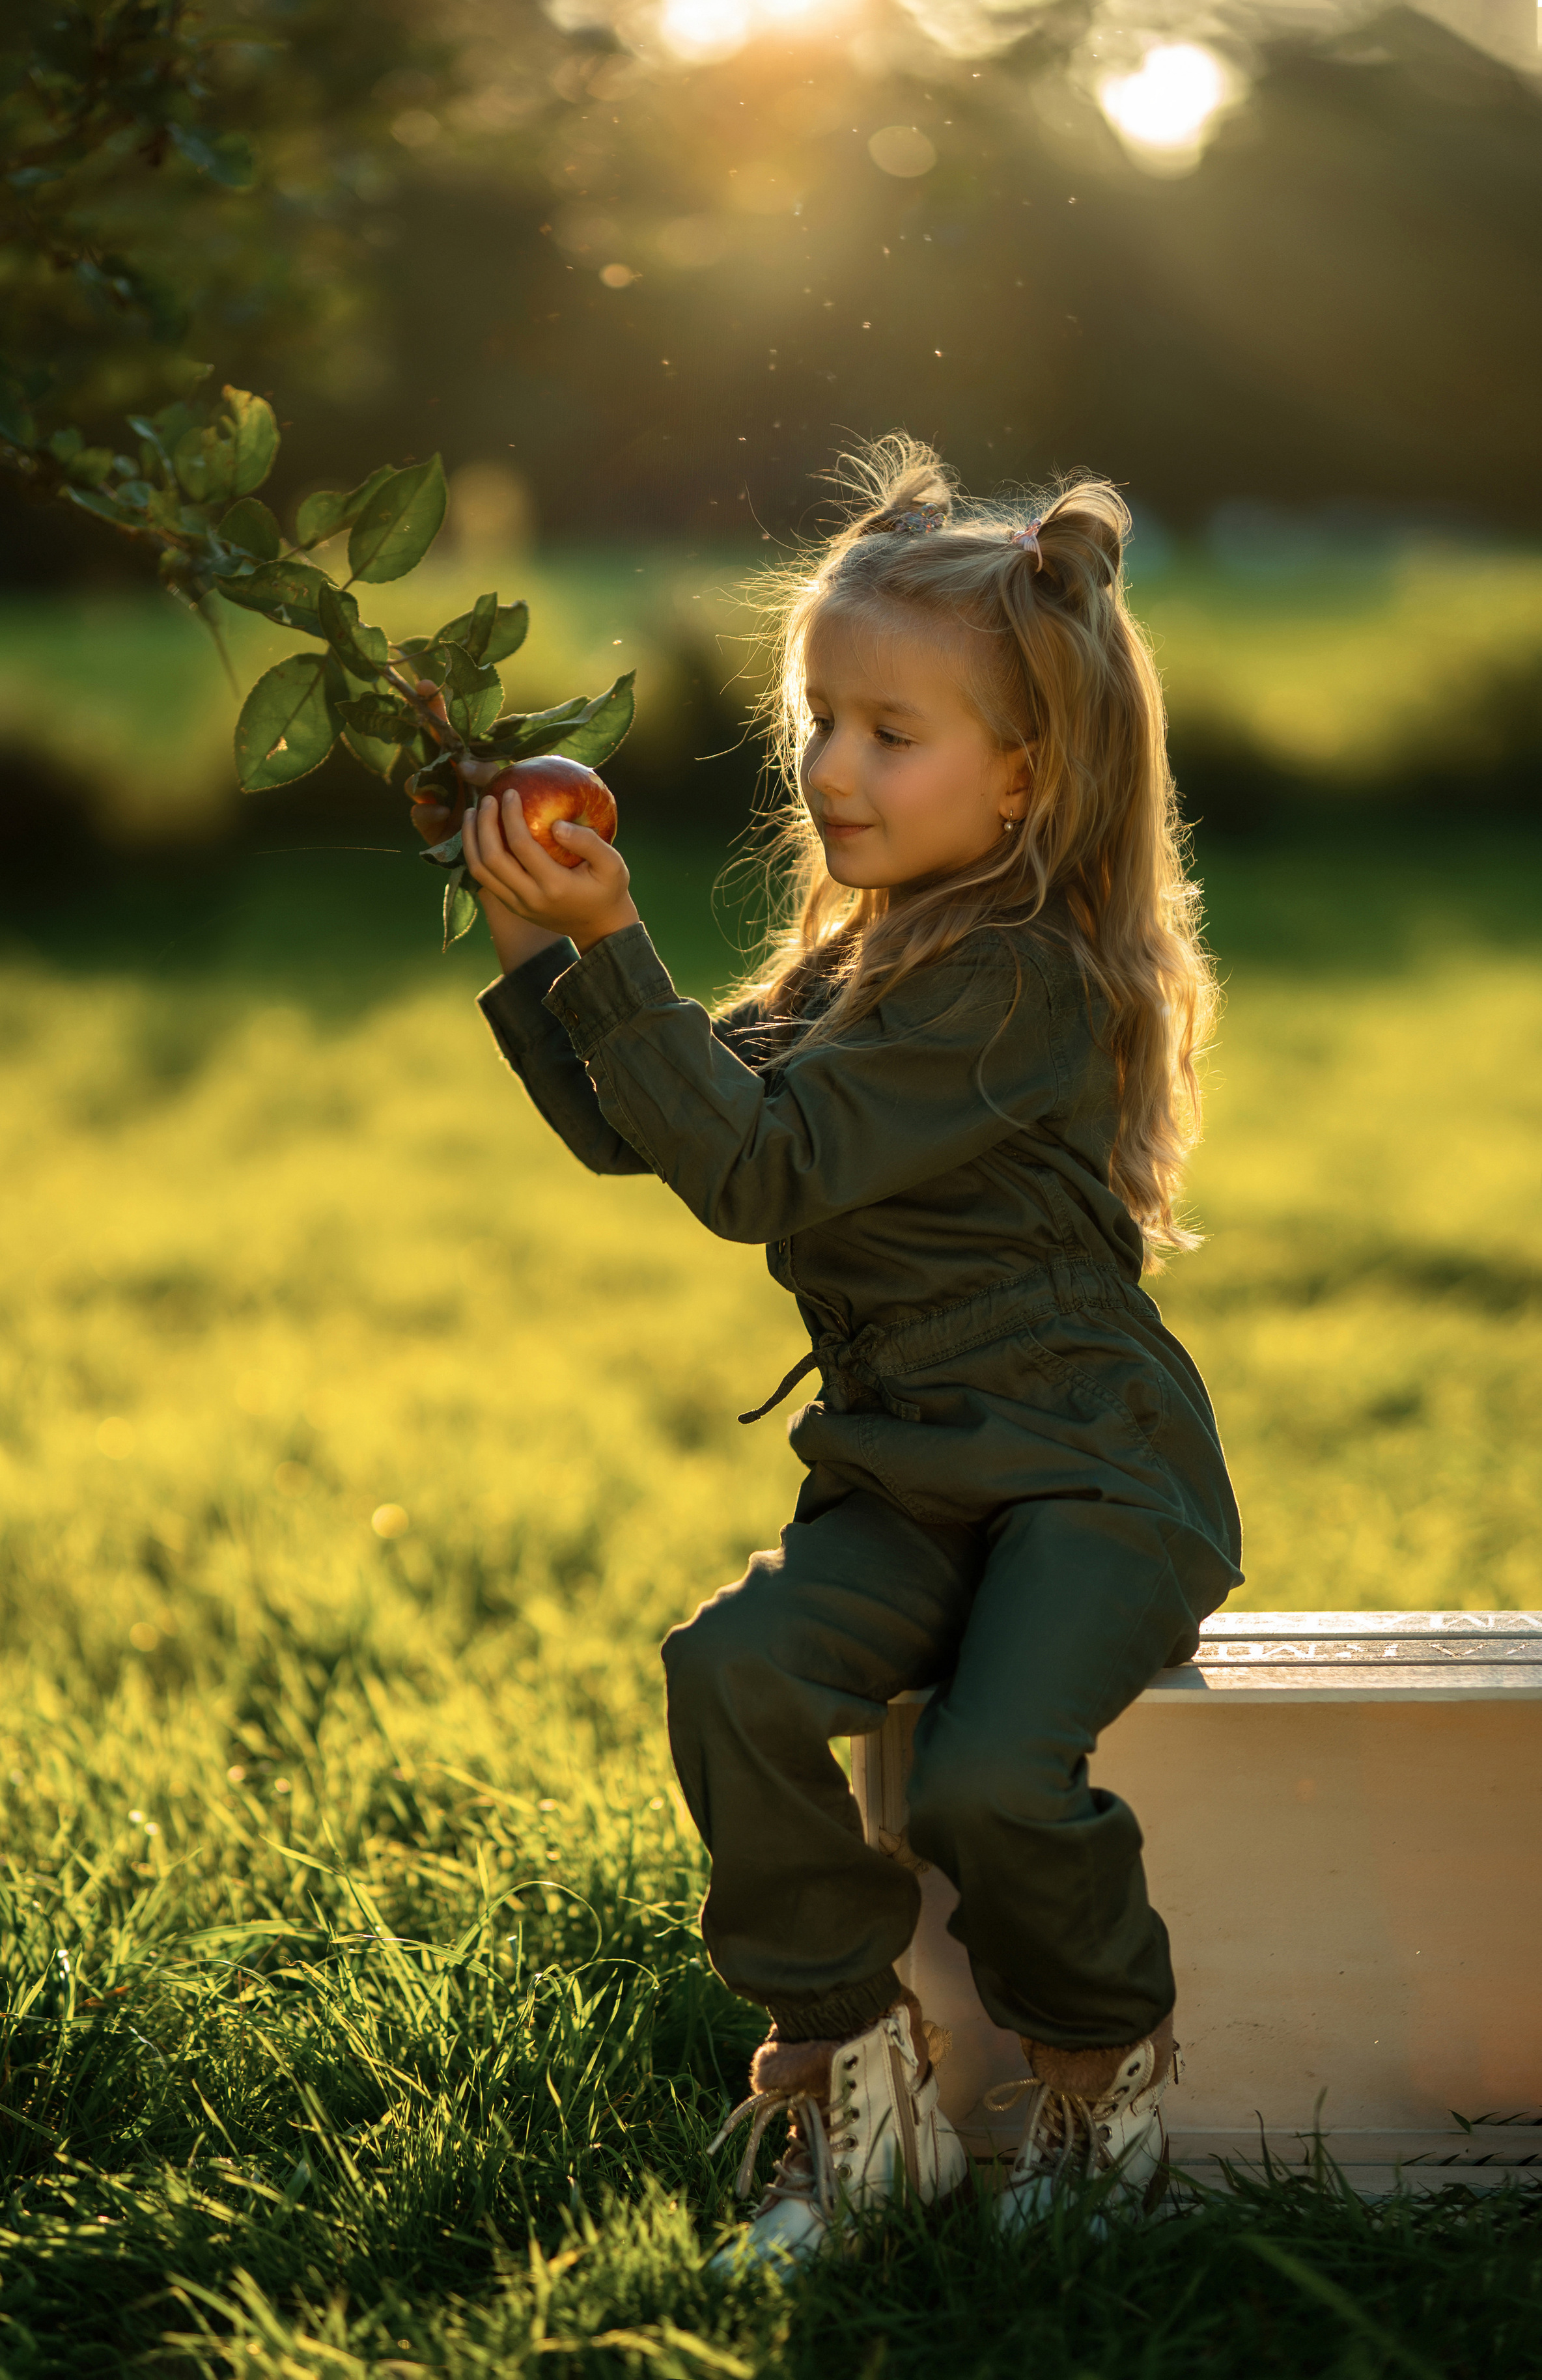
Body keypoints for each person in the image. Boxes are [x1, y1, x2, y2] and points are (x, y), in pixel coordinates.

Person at [421, 439, 1242, 2268]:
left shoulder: (1024, 979)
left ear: (1028, 777)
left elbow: (758, 1171)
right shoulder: (854, 964)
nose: (832, 768)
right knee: (731, 1668)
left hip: (1089, 1473)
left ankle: (1103, 2076)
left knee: (978, 1778)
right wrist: (536, 941)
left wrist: (612, 946)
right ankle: (851, 2076)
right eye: (821, 722)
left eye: (892, 732)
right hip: (906, 1468)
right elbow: (655, 1125)